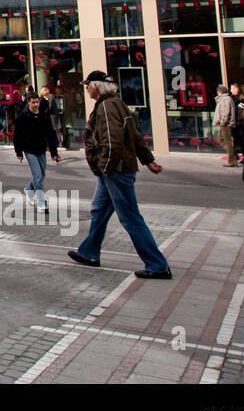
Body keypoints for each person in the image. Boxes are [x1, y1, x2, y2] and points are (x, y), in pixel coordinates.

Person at [67, 71, 171, 279]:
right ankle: (89, 252)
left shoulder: (107, 107)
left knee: (130, 217)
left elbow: (112, 141)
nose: (86, 88)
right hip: (115, 170)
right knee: (99, 211)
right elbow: (135, 135)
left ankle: (157, 264)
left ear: (96, 86)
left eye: (88, 85)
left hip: (116, 170)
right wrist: (148, 159)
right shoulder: (116, 104)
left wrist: (105, 168)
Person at [14, 93, 60, 211]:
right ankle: (41, 203)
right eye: (33, 102)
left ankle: (29, 189)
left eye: (37, 102)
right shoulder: (23, 116)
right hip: (29, 150)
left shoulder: (44, 116)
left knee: (42, 175)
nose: (35, 104)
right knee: (38, 176)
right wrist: (18, 152)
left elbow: (50, 134)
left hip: (41, 149)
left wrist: (54, 153)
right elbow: (17, 136)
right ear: (28, 102)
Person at [214, 84, 238, 167]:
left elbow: (226, 112)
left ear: (219, 92)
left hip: (226, 124)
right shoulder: (224, 99)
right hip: (225, 123)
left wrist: (223, 122)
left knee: (227, 141)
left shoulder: (225, 99)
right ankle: (233, 155)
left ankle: (232, 160)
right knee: (221, 139)